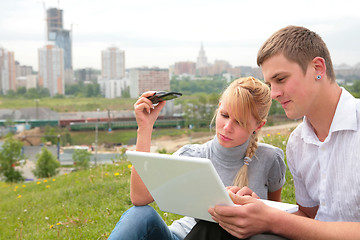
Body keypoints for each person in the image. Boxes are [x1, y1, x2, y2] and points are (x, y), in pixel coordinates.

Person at [186, 25, 360, 240]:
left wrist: (273, 219)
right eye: (270, 83)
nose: (274, 94)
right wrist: (261, 208)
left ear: (317, 68)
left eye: (281, 79)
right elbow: (311, 219)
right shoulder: (298, 142)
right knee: (217, 226)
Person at [107, 76, 287, 240]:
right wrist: (144, 128)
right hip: (183, 236)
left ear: (259, 125)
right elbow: (139, 199)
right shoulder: (192, 155)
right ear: (218, 107)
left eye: (239, 122)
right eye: (224, 115)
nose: (226, 127)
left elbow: (275, 221)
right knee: (140, 215)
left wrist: (255, 207)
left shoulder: (270, 159)